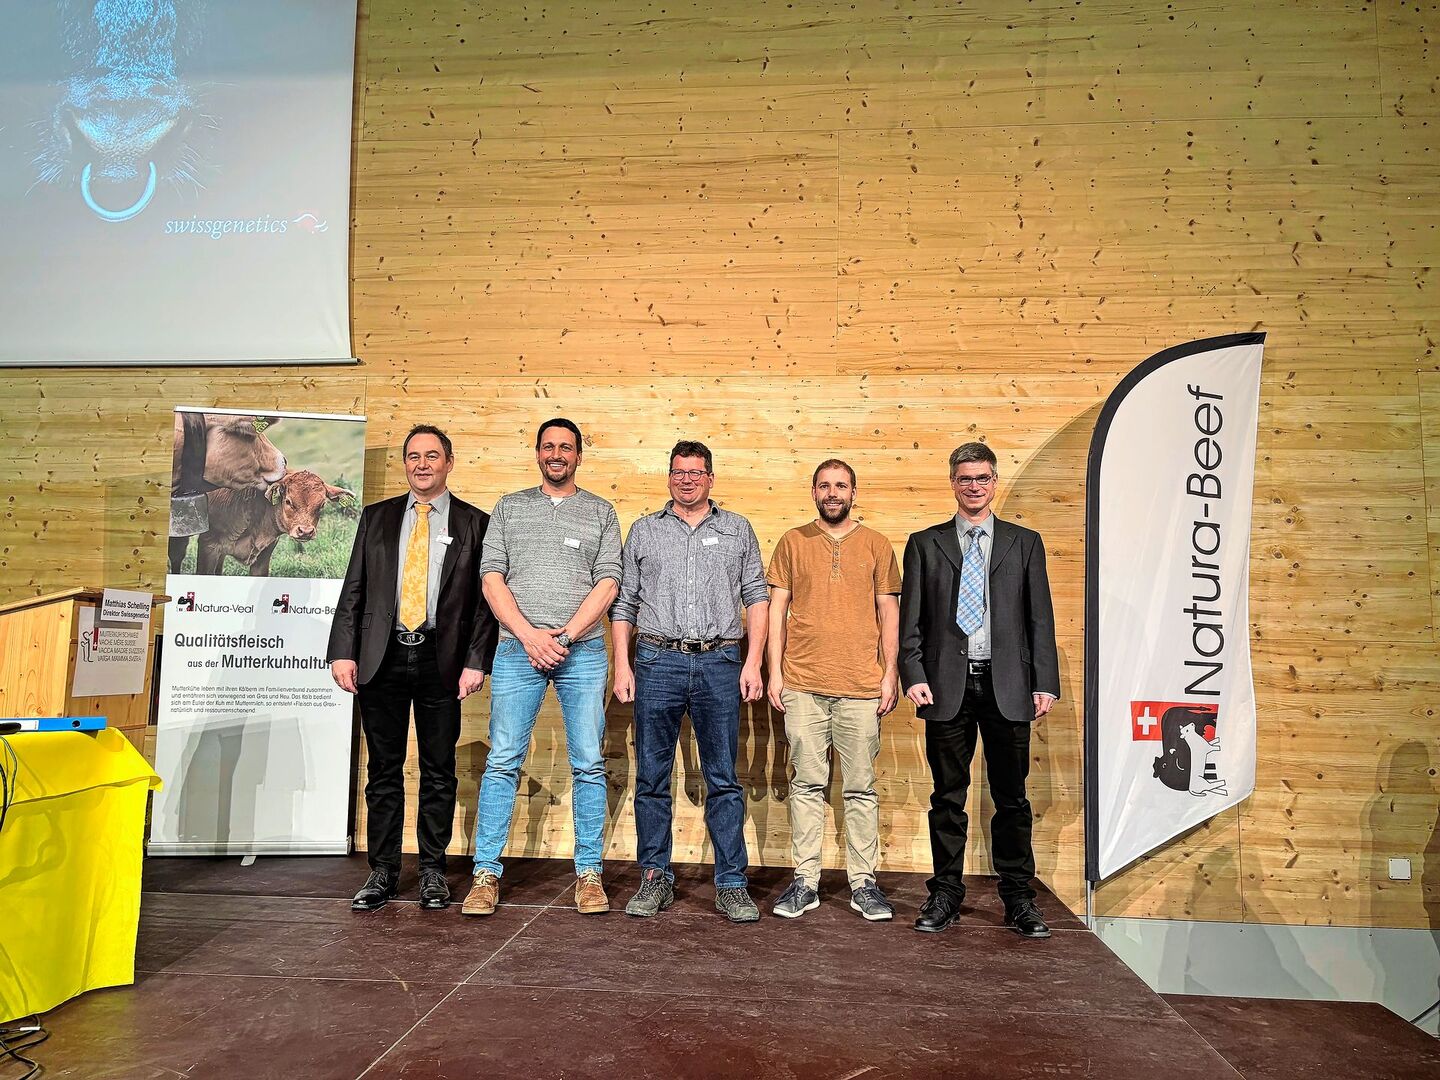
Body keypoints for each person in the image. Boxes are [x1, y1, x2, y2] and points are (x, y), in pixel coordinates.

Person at [328, 424, 498, 912]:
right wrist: (343, 650)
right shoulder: (376, 517)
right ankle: (382, 872)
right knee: (383, 770)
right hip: (380, 656)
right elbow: (355, 587)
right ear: (406, 464)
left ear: (449, 462)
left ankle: (432, 871)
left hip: (440, 660)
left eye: (432, 456)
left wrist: (475, 661)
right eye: (413, 457)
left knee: (438, 770)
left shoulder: (474, 523)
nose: (422, 465)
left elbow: (485, 604)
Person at [899, 442, 1060, 938]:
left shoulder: (1023, 542)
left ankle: (1018, 898)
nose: (974, 486)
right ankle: (945, 893)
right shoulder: (925, 544)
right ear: (953, 482)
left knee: (1012, 798)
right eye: (966, 478)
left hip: (1008, 685)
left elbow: (1040, 617)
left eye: (983, 478)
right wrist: (913, 673)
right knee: (947, 797)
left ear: (994, 482)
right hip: (945, 687)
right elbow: (911, 621)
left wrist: (1044, 682)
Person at [463, 418, 622, 917]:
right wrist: (531, 636)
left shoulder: (601, 511)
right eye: (549, 446)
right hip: (518, 650)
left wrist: (566, 636)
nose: (557, 454)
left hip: (583, 652)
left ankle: (589, 876)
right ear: (537, 453)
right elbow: (491, 579)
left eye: (566, 447)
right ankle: (485, 874)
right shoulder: (509, 508)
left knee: (589, 764)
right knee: (502, 761)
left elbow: (609, 583)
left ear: (578, 456)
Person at [612, 440, 770, 923]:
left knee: (723, 778)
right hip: (656, 661)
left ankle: (731, 884)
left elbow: (757, 598)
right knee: (652, 778)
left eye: (696, 473)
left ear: (710, 478)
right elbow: (625, 603)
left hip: (721, 661)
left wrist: (753, 662)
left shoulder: (737, 529)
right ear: (669, 477)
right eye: (679, 472)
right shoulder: (644, 531)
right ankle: (654, 877)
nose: (687, 480)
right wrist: (623, 664)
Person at [766, 459, 901, 921]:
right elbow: (776, 611)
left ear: (853, 492)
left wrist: (890, 674)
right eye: (824, 486)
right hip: (802, 684)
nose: (832, 493)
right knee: (805, 784)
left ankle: (864, 884)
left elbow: (888, 612)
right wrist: (774, 672)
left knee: (860, 788)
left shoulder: (876, 544)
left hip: (861, 686)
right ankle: (805, 881)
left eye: (841, 485)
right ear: (814, 492)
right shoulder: (793, 542)